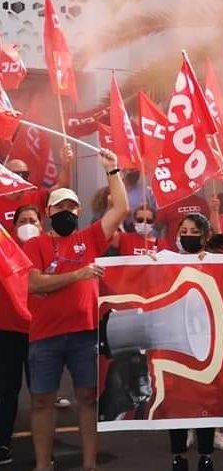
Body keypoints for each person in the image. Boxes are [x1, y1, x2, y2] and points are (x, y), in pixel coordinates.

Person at [24, 149, 128, 471]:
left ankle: (89, 465)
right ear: (49, 211)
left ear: (79, 210)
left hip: (84, 334)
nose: (66, 211)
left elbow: (121, 209)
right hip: (45, 336)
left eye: (71, 206)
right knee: (41, 401)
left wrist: (112, 172)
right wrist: (78, 275)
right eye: (59, 206)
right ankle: (43, 465)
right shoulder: (35, 244)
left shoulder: (89, 238)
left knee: (87, 400)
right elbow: (35, 284)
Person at [166, 212, 223, 471]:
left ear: (205, 236)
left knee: (205, 399)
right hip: (175, 341)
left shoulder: (215, 261)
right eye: (183, 231)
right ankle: (178, 456)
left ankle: (205, 455)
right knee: (176, 401)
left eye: (193, 231)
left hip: (207, 341)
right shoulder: (167, 260)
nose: (187, 236)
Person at [0, 205, 44, 466]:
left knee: (41, 393)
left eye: (33, 220)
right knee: (6, 390)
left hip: (42, 332)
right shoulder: (5, 252)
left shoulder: (50, 250)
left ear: (42, 224)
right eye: (23, 220)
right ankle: (3, 442)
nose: (28, 224)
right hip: (8, 331)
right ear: (13, 226)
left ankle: (43, 448)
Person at [0, 147, 73, 233]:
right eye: (15, 175)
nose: (20, 178)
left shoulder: (36, 197)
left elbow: (62, 187)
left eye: (24, 174)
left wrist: (66, 165)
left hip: (37, 246)